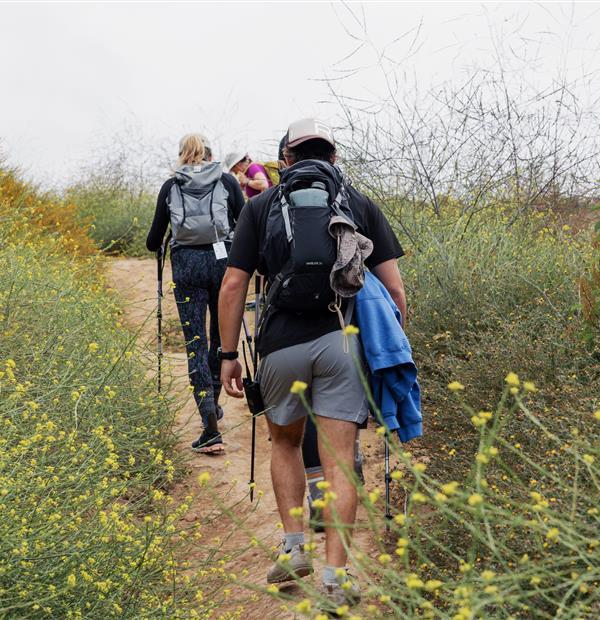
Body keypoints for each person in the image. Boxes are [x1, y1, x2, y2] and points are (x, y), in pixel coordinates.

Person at [218, 118, 406, 609]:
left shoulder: (260, 206)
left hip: (279, 344)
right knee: (340, 459)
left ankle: (293, 548)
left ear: (286, 160)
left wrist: (228, 356)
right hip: (339, 340)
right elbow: (395, 292)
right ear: (334, 158)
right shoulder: (358, 204)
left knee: (285, 444)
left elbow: (233, 285)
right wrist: (387, 350)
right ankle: (335, 577)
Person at [146, 133, 245, 453]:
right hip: (224, 263)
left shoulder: (171, 186)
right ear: (207, 152)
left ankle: (209, 424)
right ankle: (213, 407)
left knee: (195, 343)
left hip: (186, 266)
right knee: (221, 340)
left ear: (181, 154)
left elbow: (152, 240)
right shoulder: (227, 182)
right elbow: (245, 225)